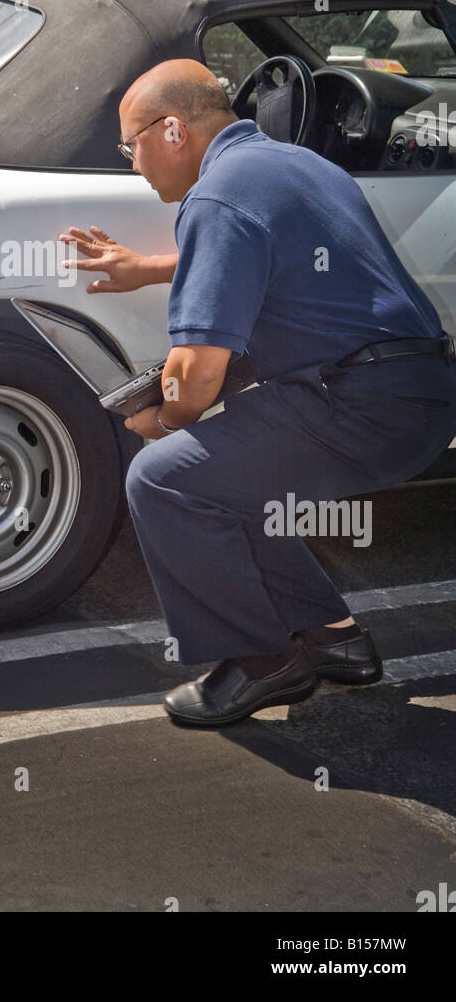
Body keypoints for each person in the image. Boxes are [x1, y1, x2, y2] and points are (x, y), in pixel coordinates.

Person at [59, 59, 456, 728]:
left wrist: (166, 417)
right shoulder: (291, 166)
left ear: (174, 130)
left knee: (165, 480)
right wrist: (146, 268)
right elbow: (264, 249)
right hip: (414, 394)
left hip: (357, 403)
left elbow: (201, 373)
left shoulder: (215, 197)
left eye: (132, 146)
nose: (134, 164)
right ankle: (333, 637)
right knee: (222, 472)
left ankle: (263, 659)